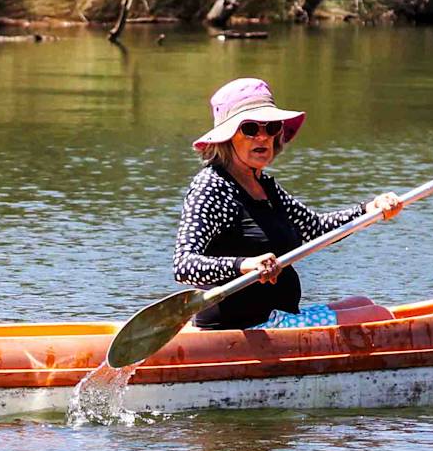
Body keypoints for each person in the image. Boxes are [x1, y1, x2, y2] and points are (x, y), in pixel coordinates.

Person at [170, 76, 401, 330]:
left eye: (270, 128)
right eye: (250, 129)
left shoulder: (266, 187)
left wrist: (369, 210)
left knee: (363, 302)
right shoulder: (212, 187)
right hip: (242, 328)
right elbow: (184, 265)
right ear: (227, 137)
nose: (263, 137)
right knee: (376, 316)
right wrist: (245, 265)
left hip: (278, 317)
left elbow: (315, 229)